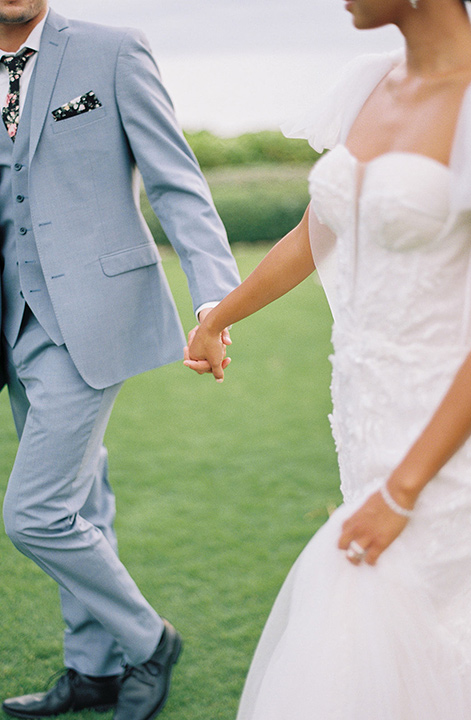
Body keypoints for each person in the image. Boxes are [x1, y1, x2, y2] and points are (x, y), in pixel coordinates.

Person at [185, 0, 471, 716]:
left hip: (447, 438)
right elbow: (317, 232)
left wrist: (402, 491)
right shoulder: (369, 82)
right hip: (366, 418)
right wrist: (218, 315)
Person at [0, 2, 239, 720]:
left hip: (90, 318)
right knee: (81, 501)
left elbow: (177, 183)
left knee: (36, 513)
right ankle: (92, 670)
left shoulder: (112, 51)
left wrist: (215, 305)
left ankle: (149, 641)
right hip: (12, 322)